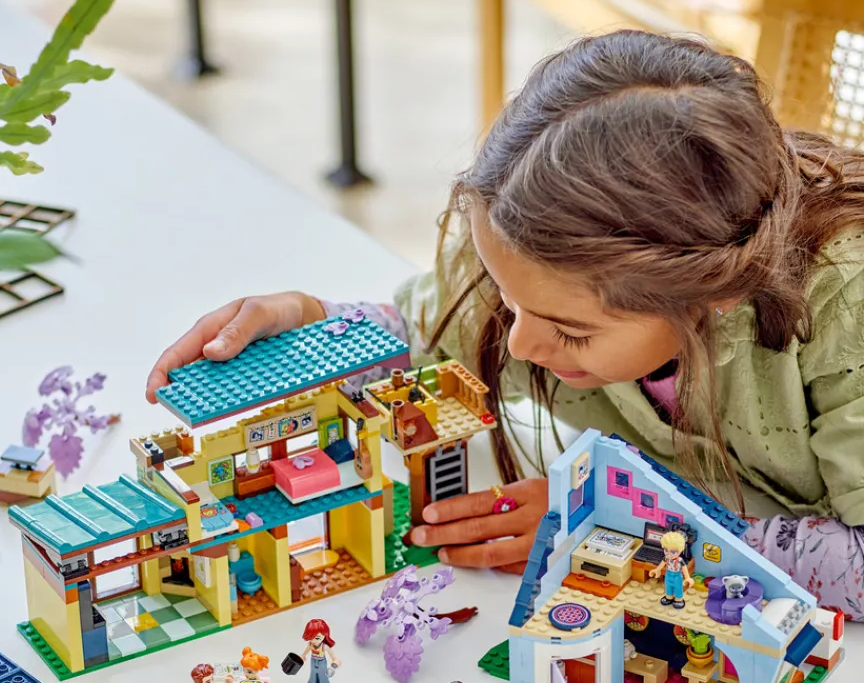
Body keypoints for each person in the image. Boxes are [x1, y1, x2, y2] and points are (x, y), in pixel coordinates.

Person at [146, 31, 864, 621]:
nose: (518, 344)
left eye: (570, 332)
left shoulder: (848, 312)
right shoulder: (529, 238)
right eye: (506, 299)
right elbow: (425, 343)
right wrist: (314, 324)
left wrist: (620, 522)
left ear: (717, 294)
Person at [648, 530, 694, 610]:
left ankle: (678, 599)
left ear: (681, 550)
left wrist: (687, 578)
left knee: (678, 587)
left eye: (673, 552)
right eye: (666, 550)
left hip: (677, 576)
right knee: (668, 586)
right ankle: (669, 597)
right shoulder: (666, 558)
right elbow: (661, 565)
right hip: (668, 574)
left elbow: (684, 568)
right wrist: (657, 570)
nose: (668, 553)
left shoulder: (680, 560)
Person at [301, 618, 341, 683]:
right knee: (313, 673)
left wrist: (335, 663)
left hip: (321, 661)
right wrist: (303, 656)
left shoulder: (324, 647)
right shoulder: (310, 644)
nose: (314, 641)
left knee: (323, 674)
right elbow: (306, 650)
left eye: (317, 638)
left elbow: (334, 658)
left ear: (324, 636)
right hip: (313, 660)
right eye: (311, 637)